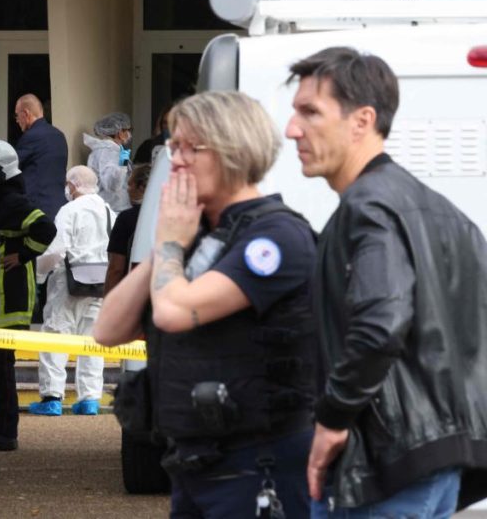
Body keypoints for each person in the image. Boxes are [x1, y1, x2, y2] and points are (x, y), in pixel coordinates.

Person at [94, 91, 318, 517]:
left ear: (232, 150)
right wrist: (166, 247)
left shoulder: (275, 238)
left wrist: (172, 244)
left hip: (258, 469)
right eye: (171, 146)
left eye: (188, 148)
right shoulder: (195, 239)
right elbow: (107, 330)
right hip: (196, 466)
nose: (174, 161)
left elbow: (174, 312)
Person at [286, 47, 487, 516]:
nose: (292, 129)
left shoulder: (368, 208)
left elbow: (381, 323)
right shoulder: (446, 212)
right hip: (437, 460)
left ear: (362, 120)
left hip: (381, 465)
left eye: (309, 112)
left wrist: (332, 419)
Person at [0, 140, 56, 451]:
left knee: (0, 367)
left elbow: (46, 228)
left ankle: (4, 431)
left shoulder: (13, 202)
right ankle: (2, 430)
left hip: (9, 297)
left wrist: (22, 255)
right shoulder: (1, 201)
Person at [30, 166, 113, 417]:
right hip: (100, 282)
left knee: (56, 335)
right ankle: (89, 399)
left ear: (73, 185)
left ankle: (52, 397)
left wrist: (40, 276)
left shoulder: (69, 210)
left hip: (68, 282)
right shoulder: (109, 211)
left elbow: (56, 250)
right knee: (92, 341)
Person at [13, 93, 67, 222]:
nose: (16, 120)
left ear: (25, 113)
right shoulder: (59, 135)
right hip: (59, 206)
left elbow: (12, 167)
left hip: (37, 208)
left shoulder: (31, 136)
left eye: (17, 115)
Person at [104, 164, 149, 294]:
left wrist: (108, 304)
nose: (127, 190)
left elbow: (116, 268)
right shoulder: (168, 218)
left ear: (141, 187)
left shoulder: (127, 218)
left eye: (130, 185)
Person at [84, 112, 133, 213]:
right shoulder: (108, 151)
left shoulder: (112, 150)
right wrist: (123, 161)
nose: (129, 134)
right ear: (119, 132)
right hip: (113, 210)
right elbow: (112, 184)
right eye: (127, 130)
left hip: (116, 208)